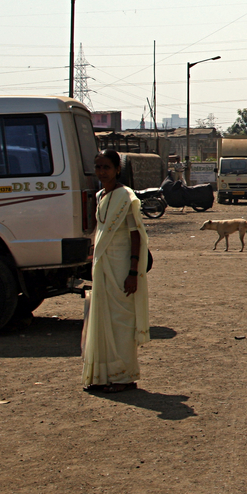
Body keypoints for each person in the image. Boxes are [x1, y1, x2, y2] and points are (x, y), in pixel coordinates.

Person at [82, 148, 150, 393]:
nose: (102, 172)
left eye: (106, 167)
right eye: (98, 167)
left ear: (117, 169)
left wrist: (132, 272)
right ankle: (102, 376)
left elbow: (136, 235)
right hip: (102, 266)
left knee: (121, 321)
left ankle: (124, 377)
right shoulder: (101, 195)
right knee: (102, 319)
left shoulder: (126, 196)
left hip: (122, 268)